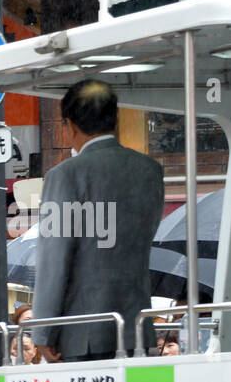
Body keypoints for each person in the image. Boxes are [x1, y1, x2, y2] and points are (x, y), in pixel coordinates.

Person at [33, 79, 164, 362]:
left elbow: (54, 258)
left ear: (71, 125)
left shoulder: (65, 175)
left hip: (81, 333)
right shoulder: (149, 170)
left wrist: (43, 331)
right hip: (135, 327)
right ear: (115, 118)